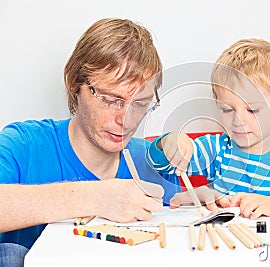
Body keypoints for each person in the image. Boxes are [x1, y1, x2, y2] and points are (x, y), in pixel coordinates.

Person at [0, 18, 180, 266]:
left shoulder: (151, 162)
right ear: (75, 84)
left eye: (140, 104)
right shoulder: (24, 145)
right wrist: (95, 197)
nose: (125, 120)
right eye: (110, 99)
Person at [147, 38, 270, 220]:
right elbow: (163, 167)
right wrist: (168, 144)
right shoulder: (215, 150)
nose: (238, 121)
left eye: (252, 110)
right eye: (227, 109)